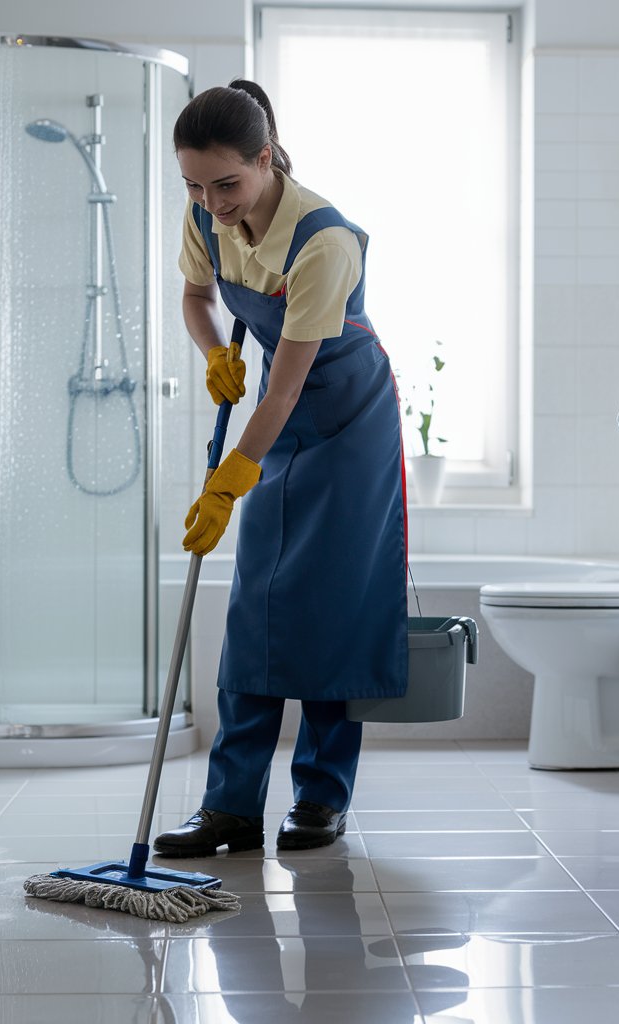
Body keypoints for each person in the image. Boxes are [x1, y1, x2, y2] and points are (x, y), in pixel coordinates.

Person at [154, 80, 408, 857]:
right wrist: (216, 354)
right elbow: (197, 297)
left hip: (349, 420)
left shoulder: (325, 241)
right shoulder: (206, 213)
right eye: (196, 185)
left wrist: (231, 479)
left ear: (266, 160)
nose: (212, 201)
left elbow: (294, 383)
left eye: (227, 183)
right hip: (274, 407)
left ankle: (321, 800)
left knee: (336, 605)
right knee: (256, 605)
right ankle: (230, 806)